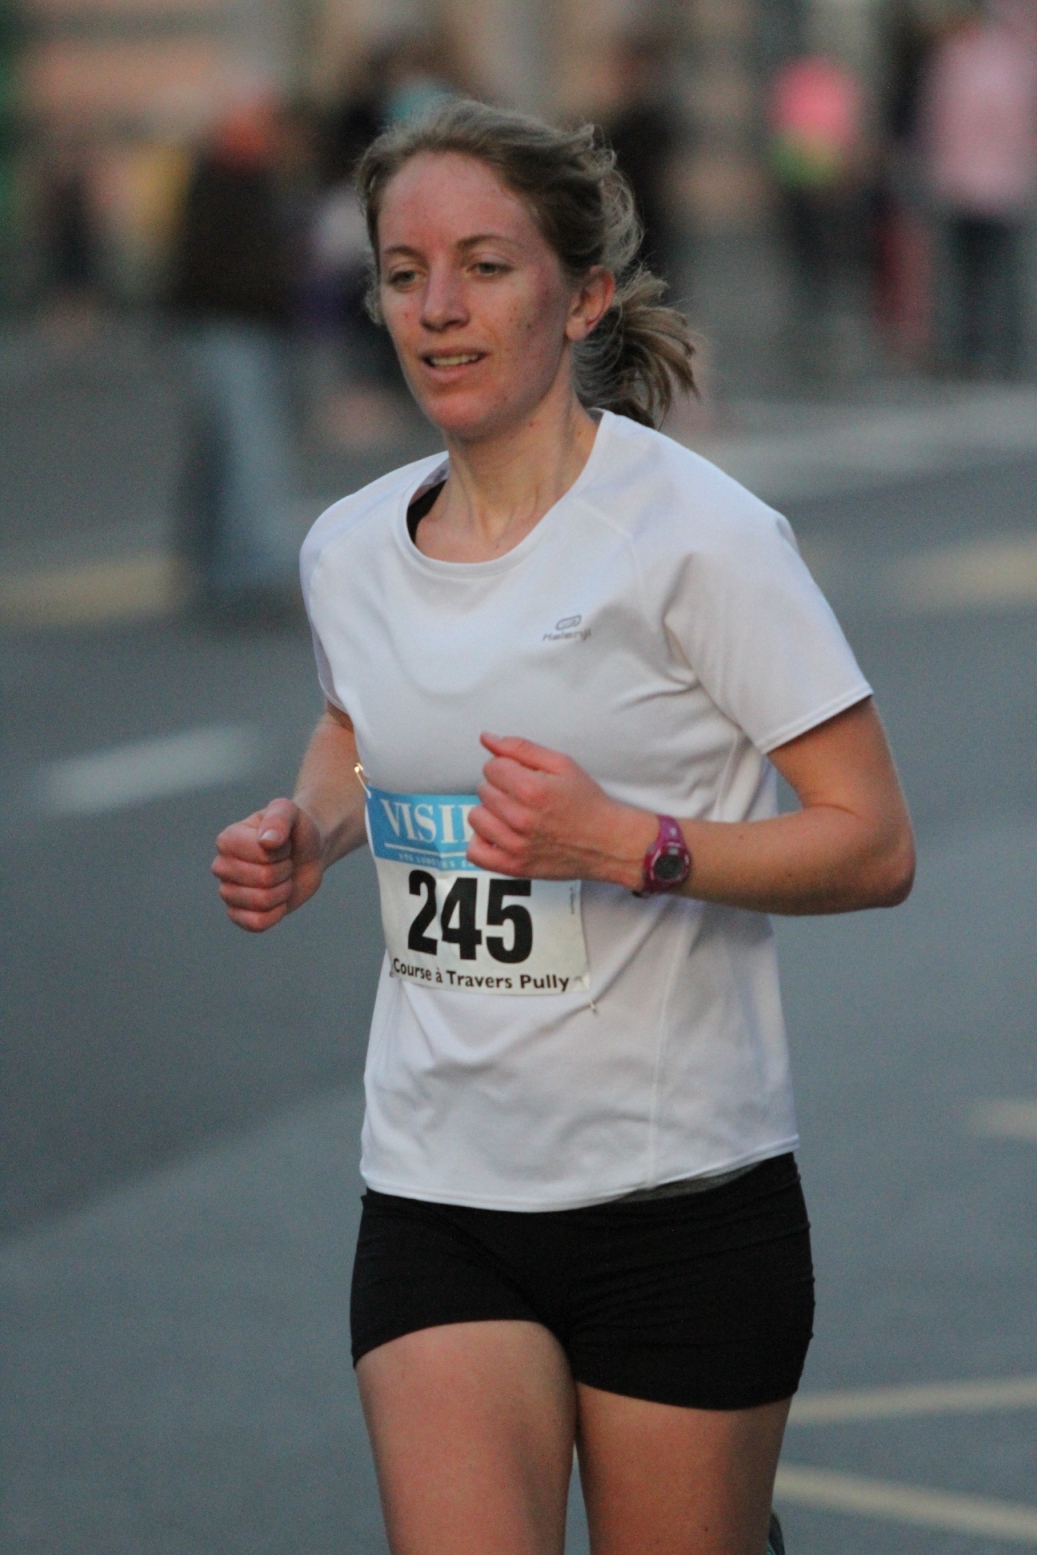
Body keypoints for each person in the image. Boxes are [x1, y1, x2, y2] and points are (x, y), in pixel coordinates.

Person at [212, 100, 915, 1555]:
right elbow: (355, 723)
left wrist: (624, 844)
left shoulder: (699, 538)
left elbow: (870, 840)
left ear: (582, 297)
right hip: (436, 1186)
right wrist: (313, 829)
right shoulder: (350, 547)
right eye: (404, 273)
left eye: (484, 267)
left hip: (677, 1195)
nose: (438, 309)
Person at [917, 1, 1037, 378]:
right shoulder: (1017, 63)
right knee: (1001, 274)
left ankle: (968, 351)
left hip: (961, 184)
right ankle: (1003, 351)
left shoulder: (953, 59)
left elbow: (935, 122)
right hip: (1003, 185)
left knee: (964, 275)